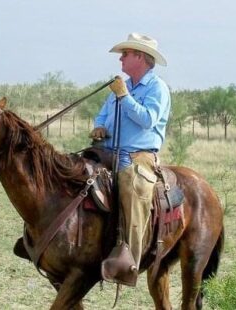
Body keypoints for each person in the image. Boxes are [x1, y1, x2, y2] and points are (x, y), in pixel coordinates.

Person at [89, 33, 171, 280]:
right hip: (107, 151)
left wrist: (124, 96)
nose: (121, 59)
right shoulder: (119, 86)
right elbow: (102, 116)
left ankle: (129, 261)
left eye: (125, 54)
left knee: (130, 185)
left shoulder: (157, 88)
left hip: (138, 157)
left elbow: (147, 120)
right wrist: (99, 127)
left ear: (141, 58)